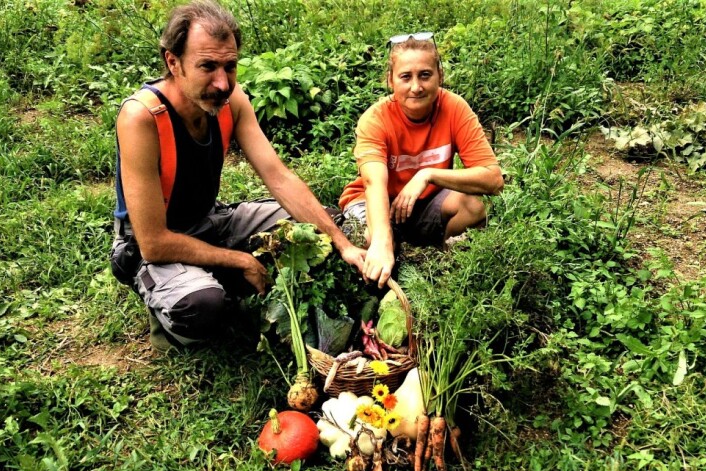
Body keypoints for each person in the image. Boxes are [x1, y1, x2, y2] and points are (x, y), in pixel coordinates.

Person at [110, 0, 364, 352]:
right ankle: (176, 307)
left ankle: (220, 276)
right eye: (207, 66)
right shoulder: (142, 118)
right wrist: (240, 259)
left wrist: (343, 243)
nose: (222, 83)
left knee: (322, 226)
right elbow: (153, 242)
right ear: (173, 62)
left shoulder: (231, 101)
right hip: (153, 245)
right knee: (202, 308)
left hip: (210, 220)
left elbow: (279, 177)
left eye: (230, 66)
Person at [338, 32, 504, 288]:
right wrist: (382, 240)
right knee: (373, 239)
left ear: (440, 75)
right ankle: (377, 281)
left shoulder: (454, 108)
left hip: (426, 202)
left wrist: (427, 175)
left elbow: (493, 179)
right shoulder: (376, 118)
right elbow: (374, 183)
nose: (416, 87)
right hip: (374, 200)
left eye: (425, 75)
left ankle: (445, 267)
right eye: (406, 77)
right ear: (391, 80)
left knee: (474, 205)